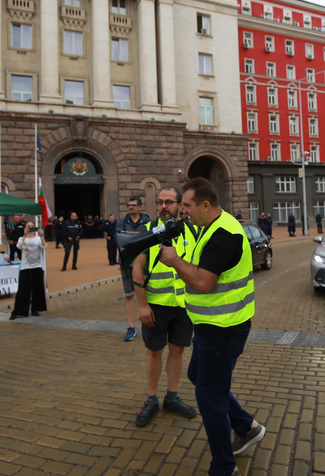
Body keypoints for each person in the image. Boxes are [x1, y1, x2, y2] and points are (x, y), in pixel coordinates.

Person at [158, 177, 265, 476]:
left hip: (223, 330)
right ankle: (247, 426)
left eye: (188, 206)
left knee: (209, 397)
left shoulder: (223, 234)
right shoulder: (210, 227)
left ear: (205, 204)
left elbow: (204, 282)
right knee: (200, 378)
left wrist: (174, 261)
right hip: (212, 327)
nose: (184, 212)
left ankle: (223, 467)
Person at [131, 186, 198, 427]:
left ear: (180, 206)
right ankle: (151, 399)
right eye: (160, 202)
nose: (162, 207)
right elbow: (137, 269)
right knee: (154, 351)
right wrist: (142, 305)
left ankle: (172, 396)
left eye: (168, 202)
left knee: (178, 350)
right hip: (155, 306)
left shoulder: (191, 232)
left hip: (183, 305)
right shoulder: (148, 231)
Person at [116, 196, 151, 342]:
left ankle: (150, 322)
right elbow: (120, 238)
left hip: (145, 263)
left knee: (148, 294)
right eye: (128, 205)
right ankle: (130, 327)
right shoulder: (121, 222)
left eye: (133, 205)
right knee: (129, 295)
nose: (130, 207)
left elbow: (149, 237)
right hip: (126, 263)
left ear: (140, 207)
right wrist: (139, 236)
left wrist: (130, 236)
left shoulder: (148, 221)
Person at [10, 220, 48, 319]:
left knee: (37, 289)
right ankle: (19, 311)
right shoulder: (22, 239)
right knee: (23, 290)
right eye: (28, 226)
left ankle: (35, 309)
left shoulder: (38, 238)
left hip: (37, 267)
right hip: (26, 267)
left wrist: (41, 236)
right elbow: (19, 246)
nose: (30, 227)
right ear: (25, 228)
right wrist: (24, 235)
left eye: (32, 226)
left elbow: (44, 246)